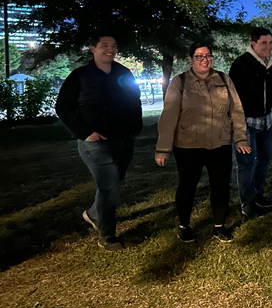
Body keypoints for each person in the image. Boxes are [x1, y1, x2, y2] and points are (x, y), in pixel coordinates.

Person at [155, 42, 251, 243]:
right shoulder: (180, 82)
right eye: (199, 56)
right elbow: (169, 116)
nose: (204, 60)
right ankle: (184, 226)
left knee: (221, 186)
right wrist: (163, 148)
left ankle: (219, 226)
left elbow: (237, 110)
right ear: (191, 59)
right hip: (188, 145)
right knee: (187, 186)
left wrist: (241, 137)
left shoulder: (224, 80)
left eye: (208, 56)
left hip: (220, 143)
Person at [56, 35, 142, 251]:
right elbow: (63, 107)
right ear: (92, 48)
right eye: (104, 46)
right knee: (109, 184)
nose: (110, 50)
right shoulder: (80, 76)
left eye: (114, 45)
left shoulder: (123, 72)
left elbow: (134, 100)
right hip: (95, 142)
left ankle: (94, 214)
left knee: (115, 182)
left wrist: (135, 128)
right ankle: (108, 235)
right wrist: (85, 133)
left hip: (123, 138)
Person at [229, 27, 272, 217]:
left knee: (265, 158)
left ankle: (259, 194)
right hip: (246, 122)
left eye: (271, 43)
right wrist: (239, 128)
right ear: (253, 44)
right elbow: (232, 97)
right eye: (264, 43)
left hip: (266, 121)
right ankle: (248, 203)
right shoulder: (241, 64)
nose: (269, 47)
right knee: (246, 162)